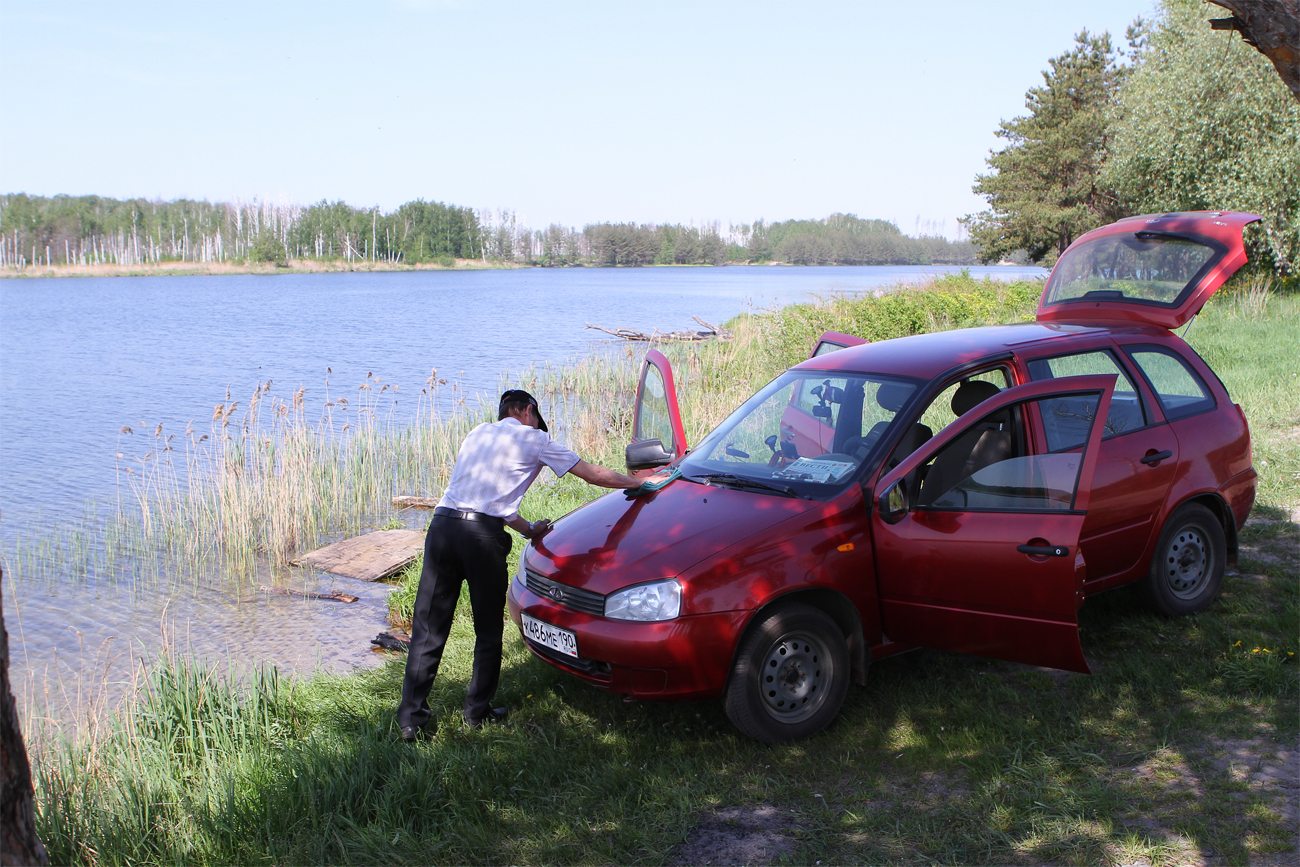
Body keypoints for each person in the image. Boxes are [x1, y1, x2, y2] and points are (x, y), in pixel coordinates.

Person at [396, 388, 644, 739]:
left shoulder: (478, 432)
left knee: (428, 628)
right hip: (481, 539)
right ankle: (476, 712)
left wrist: (529, 529)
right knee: (487, 631)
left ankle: (410, 721)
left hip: (442, 528)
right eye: (535, 418)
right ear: (527, 410)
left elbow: (489, 497)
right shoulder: (535, 439)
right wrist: (637, 484)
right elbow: (592, 474)